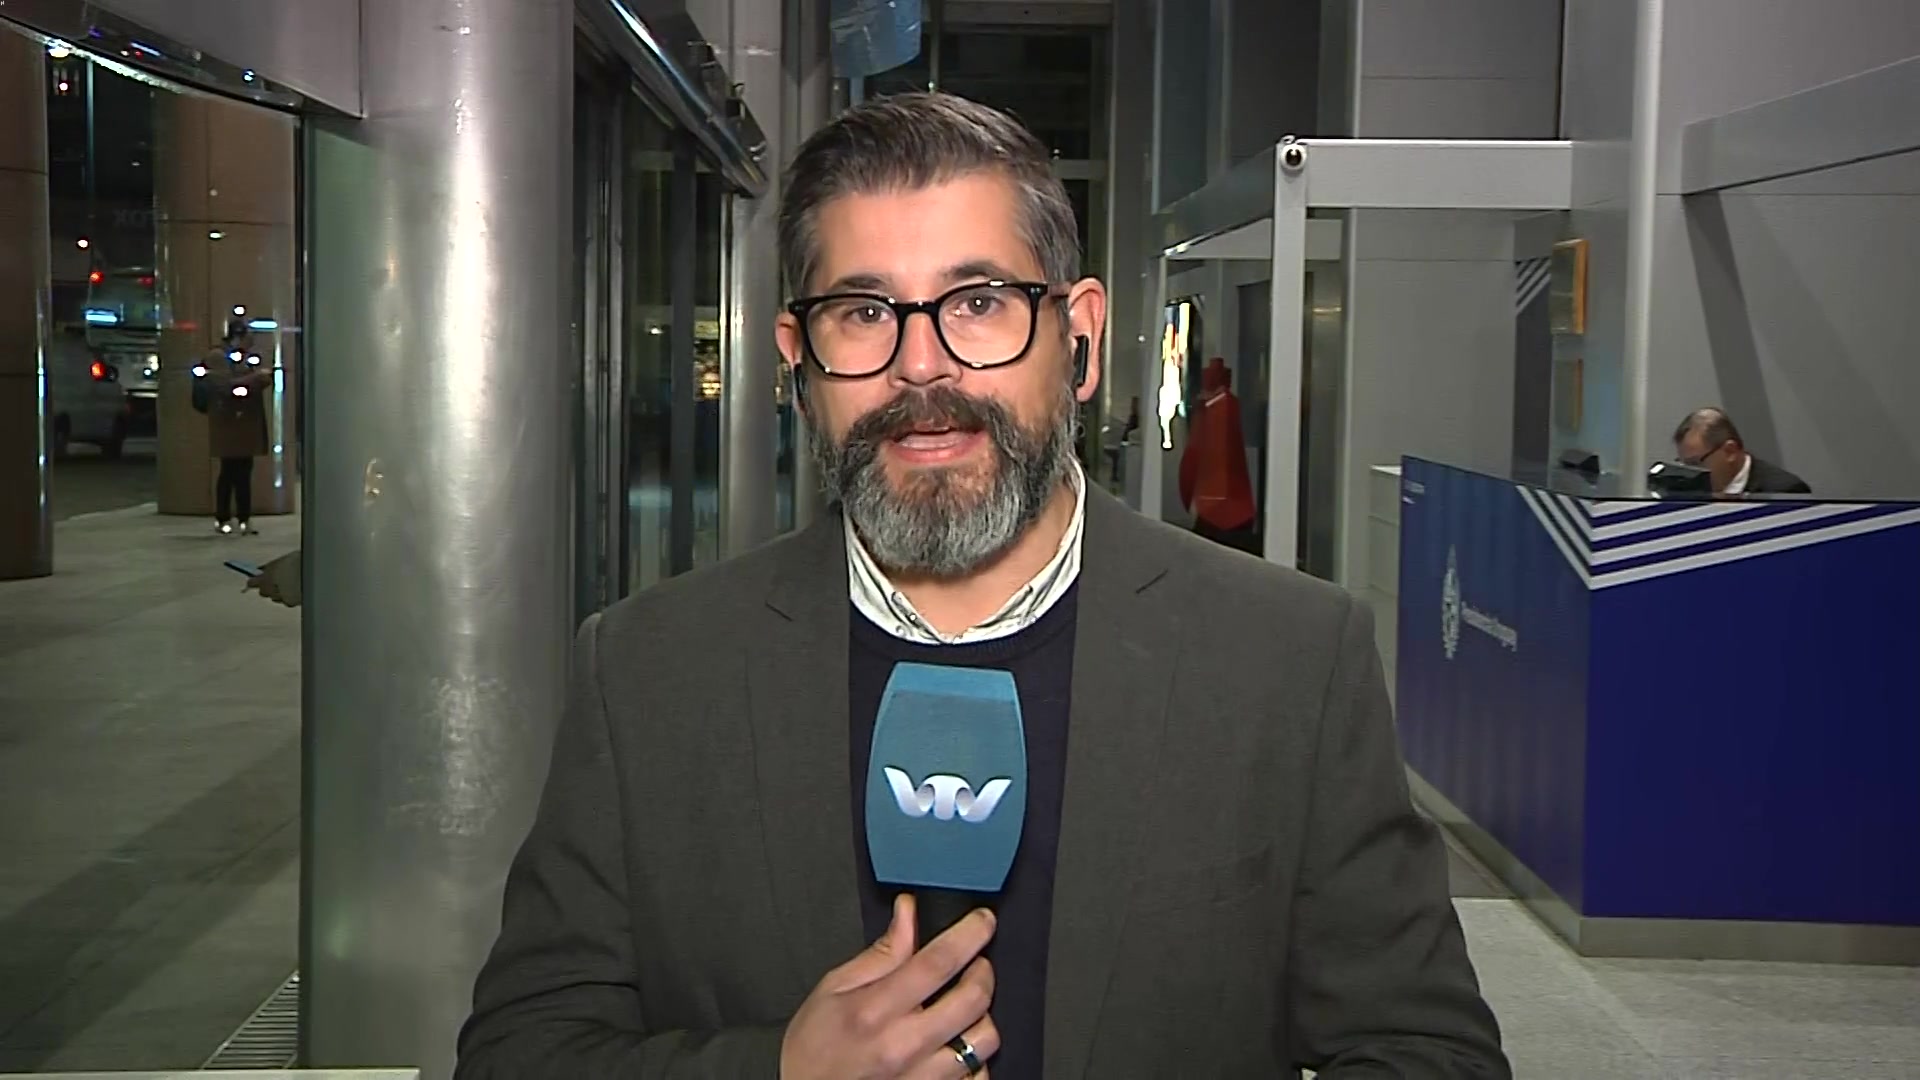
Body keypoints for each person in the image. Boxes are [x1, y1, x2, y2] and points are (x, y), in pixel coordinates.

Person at [456, 92, 1507, 1080]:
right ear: (797, 362)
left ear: (1079, 338)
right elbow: (519, 1051)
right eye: (863, 312)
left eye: (979, 302)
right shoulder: (649, 672)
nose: (922, 367)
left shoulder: (1289, 662)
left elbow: (1429, 1053)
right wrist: (778, 1069)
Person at [1178, 356, 1258, 553]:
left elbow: (1193, 457)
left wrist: (1188, 495)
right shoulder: (1233, 407)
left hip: (1210, 509)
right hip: (1240, 509)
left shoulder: (1206, 412)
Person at [202, 319, 273, 534]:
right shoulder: (217, 356)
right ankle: (223, 517)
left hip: (245, 423)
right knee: (229, 472)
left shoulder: (246, 357)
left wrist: (259, 378)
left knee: (243, 473)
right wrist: (255, 378)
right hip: (229, 423)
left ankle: (244, 518)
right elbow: (225, 386)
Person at [1672, 407, 1811, 495]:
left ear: (1730, 451)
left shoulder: (1784, 491)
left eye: (1695, 463)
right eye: (1683, 464)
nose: (1689, 475)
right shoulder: (1686, 493)